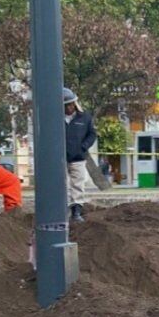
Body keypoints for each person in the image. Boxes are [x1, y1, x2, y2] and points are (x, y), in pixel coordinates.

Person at [64, 88, 96, 223]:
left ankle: (76, 211)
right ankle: (62, 211)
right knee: (62, 184)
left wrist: (83, 147)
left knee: (78, 184)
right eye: (66, 105)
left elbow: (92, 134)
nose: (69, 107)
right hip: (60, 159)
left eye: (71, 104)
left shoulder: (85, 117)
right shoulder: (55, 119)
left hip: (78, 157)